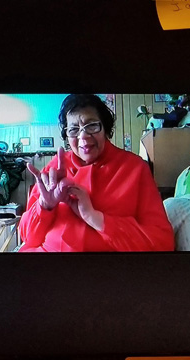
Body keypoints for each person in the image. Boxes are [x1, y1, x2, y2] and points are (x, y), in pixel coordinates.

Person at [18, 94, 174, 252]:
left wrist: (95, 218)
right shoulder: (54, 168)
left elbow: (162, 243)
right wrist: (44, 206)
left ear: (105, 127)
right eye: (74, 129)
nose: (83, 136)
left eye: (91, 125)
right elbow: (27, 237)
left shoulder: (136, 168)